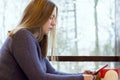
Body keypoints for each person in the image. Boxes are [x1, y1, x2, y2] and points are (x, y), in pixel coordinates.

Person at [0, 0, 96, 80]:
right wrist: (81, 78)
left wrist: (81, 75)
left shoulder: (33, 41)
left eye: (54, 18)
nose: (54, 23)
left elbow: (53, 72)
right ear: (38, 17)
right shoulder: (22, 36)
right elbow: (39, 78)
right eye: (50, 18)